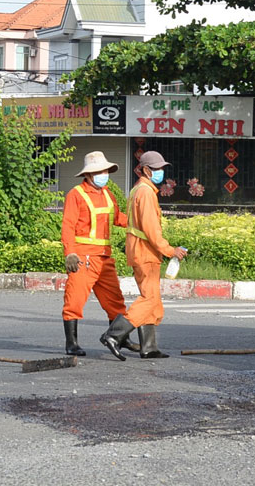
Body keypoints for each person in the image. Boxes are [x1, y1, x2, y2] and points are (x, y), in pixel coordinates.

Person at [99, 150, 188, 359]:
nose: (160, 173)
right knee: (148, 299)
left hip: (139, 249)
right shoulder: (146, 193)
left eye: (161, 169)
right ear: (146, 170)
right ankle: (114, 335)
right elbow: (151, 229)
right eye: (156, 169)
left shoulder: (139, 189)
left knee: (153, 300)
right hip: (145, 250)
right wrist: (169, 250)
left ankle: (148, 347)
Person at [61, 151, 130, 358]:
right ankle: (71, 344)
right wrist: (70, 252)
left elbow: (119, 218)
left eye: (106, 170)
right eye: (100, 171)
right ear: (89, 174)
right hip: (83, 258)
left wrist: (141, 221)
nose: (104, 174)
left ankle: (120, 338)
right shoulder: (76, 194)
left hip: (104, 258)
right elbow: (68, 225)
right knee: (74, 301)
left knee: (116, 302)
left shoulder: (108, 194)